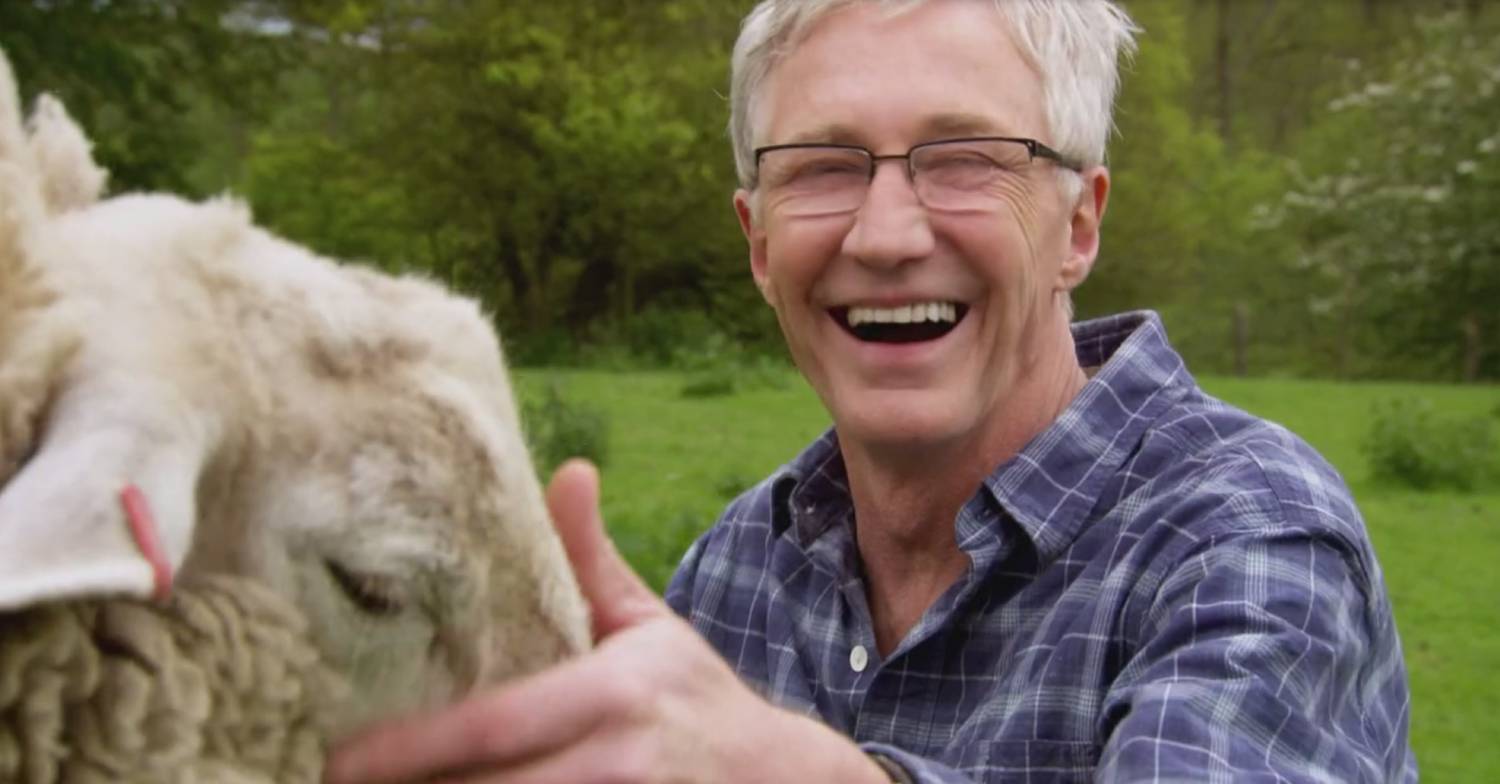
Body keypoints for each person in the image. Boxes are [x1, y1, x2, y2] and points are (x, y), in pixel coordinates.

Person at [325, 1, 1417, 781]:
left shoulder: (1247, 536)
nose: (886, 235)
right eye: (823, 167)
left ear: (1078, 226)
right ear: (759, 244)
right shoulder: (735, 568)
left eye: (965, 157)